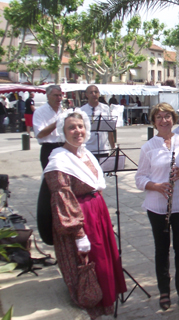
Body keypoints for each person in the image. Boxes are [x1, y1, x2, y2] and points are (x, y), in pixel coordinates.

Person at [44, 110, 127, 319]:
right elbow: (62, 199)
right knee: (88, 264)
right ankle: (92, 305)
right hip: (79, 218)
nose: (77, 131)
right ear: (63, 131)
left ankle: (106, 300)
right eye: (71, 127)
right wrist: (79, 233)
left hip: (96, 213)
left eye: (80, 126)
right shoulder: (58, 159)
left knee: (102, 259)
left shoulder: (85, 153)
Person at [135, 103, 179, 311]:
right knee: (162, 250)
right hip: (157, 206)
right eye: (159, 117)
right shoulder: (148, 147)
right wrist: (156, 186)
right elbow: (139, 178)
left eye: (167, 116)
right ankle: (164, 291)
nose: (163, 120)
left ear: (173, 119)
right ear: (154, 122)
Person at [33, 85, 65, 169]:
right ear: (48, 96)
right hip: (49, 148)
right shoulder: (40, 112)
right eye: (55, 95)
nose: (59, 98)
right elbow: (40, 134)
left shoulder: (63, 110)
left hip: (64, 147)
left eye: (60, 95)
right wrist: (57, 123)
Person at [79, 85, 115, 158]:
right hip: (88, 148)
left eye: (96, 92)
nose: (94, 94)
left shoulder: (105, 108)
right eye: (91, 92)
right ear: (87, 95)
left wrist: (113, 147)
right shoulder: (82, 110)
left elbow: (109, 130)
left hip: (103, 148)